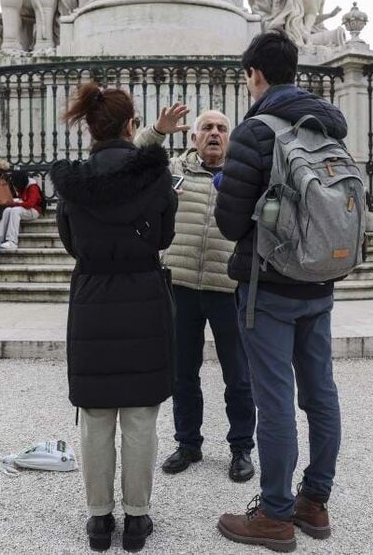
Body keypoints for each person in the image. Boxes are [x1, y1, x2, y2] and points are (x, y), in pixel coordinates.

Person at [214, 30, 348, 552]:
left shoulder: (256, 130)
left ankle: (274, 515)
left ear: (256, 75)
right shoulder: (328, 126)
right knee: (321, 394)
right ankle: (314, 503)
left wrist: (229, 186)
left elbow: (229, 225)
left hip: (267, 286)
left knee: (274, 402)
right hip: (320, 278)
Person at [49, 82, 177, 553]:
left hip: (93, 298)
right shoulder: (156, 176)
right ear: (131, 125)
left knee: (96, 416)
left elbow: (68, 241)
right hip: (143, 294)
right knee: (141, 417)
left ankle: (99, 520)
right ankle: (138, 520)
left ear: (89, 130)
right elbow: (163, 235)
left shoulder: (74, 183)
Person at [135, 108, 256, 483]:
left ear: (229, 139)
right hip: (181, 285)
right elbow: (134, 158)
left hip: (227, 287)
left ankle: (241, 448)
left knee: (238, 376)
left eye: (221, 128)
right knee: (183, 373)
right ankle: (188, 443)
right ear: (193, 138)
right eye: (207, 128)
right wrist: (157, 131)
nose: (215, 134)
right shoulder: (172, 170)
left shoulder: (242, 176)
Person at [0, 170, 44, 250]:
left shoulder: (33, 187)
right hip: (25, 208)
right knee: (7, 210)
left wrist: (14, 203)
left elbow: (30, 204)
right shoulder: (22, 186)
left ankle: (12, 241)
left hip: (34, 210)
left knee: (15, 211)